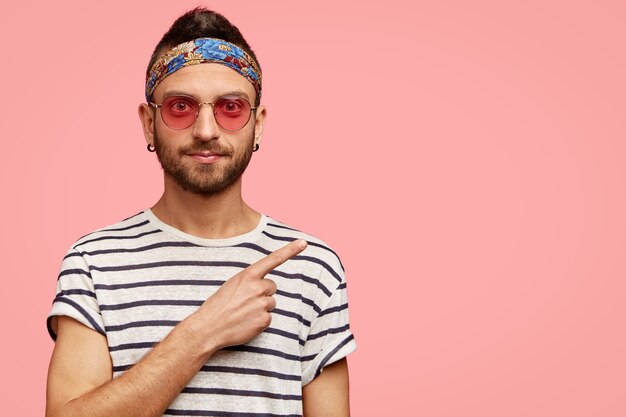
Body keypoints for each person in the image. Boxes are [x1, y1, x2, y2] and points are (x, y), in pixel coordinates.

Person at [45, 7, 356, 417]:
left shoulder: (313, 266)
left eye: (231, 108)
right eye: (180, 107)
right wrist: (203, 332)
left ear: (257, 124)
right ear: (147, 123)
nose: (206, 130)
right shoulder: (93, 261)